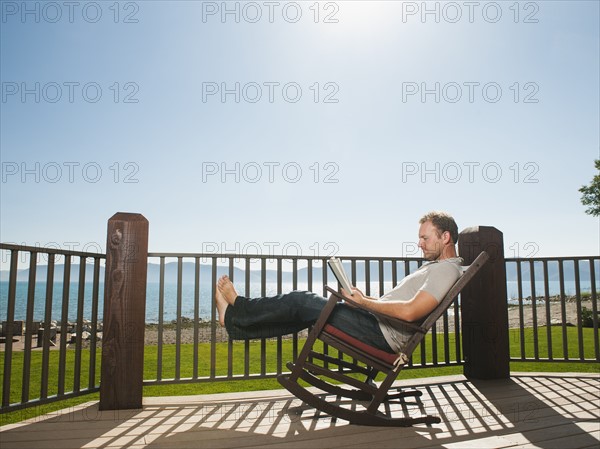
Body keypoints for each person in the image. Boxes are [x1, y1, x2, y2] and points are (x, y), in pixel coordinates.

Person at [215, 211, 464, 354]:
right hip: (377, 325)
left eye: (424, 237)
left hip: (381, 335)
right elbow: (402, 304)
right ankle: (234, 322)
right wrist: (363, 300)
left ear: (445, 237)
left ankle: (239, 305)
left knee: (303, 300)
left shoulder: (445, 271)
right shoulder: (436, 267)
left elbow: (410, 313)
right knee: (305, 312)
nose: (419, 243)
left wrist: (365, 303)